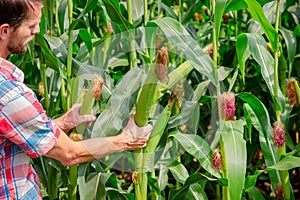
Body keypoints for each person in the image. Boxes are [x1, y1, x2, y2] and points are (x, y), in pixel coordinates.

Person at [0, 0, 152, 199]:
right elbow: (70, 154)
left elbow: (10, 132)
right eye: (31, 26)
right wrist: (127, 140)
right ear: (4, 30)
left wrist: (63, 122)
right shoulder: (7, 93)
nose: (37, 31)